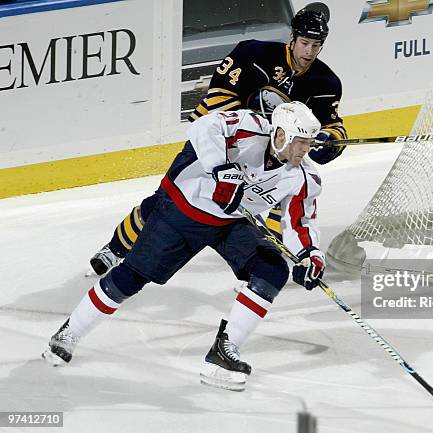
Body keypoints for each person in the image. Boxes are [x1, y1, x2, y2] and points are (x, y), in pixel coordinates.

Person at [43, 102, 327, 391]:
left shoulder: (304, 176)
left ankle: (222, 353)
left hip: (232, 223)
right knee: (132, 277)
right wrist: (222, 170)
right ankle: (70, 332)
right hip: (186, 210)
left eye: (308, 143)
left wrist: (310, 255)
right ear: (280, 135)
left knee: (272, 270)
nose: (305, 150)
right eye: (300, 142)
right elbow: (204, 126)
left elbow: (299, 221)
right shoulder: (247, 127)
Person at [88, 7, 347, 276]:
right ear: (293, 38)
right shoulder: (253, 54)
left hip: (260, 158)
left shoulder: (325, 83)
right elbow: (217, 100)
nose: (309, 51)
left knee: (280, 199)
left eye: (316, 46)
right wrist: (260, 130)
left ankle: (269, 263)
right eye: (305, 43)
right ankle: (115, 249)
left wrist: (330, 141)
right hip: (217, 143)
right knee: (165, 201)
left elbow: (333, 127)